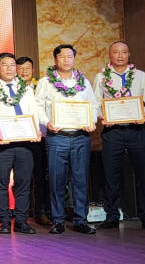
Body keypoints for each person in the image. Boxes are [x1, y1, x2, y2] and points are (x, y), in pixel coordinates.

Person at [93, 41, 145, 232]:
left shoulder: (140, 76)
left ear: (129, 54)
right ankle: (112, 216)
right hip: (112, 132)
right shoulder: (101, 77)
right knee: (111, 175)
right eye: (116, 52)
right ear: (110, 55)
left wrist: (143, 114)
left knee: (143, 174)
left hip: (136, 130)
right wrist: (103, 117)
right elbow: (95, 103)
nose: (120, 56)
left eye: (123, 52)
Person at [35, 44, 98, 235]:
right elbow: (37, 107)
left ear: (74, 59)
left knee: (81, 180)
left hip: (81, 137)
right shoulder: (45, 82)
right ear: (55, 59)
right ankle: (58, 220)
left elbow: (93, 105)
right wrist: (47, 122)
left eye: (70, 56)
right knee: (57, 180)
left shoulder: (83, 81)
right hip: (57, 137)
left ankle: (81, 220)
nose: (66, 60)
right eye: (62, 56)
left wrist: (92, 121)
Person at [0, 53, 41, 235]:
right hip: (2, 142)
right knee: (1, 183)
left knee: (23, 182)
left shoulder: (26, 89)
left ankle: (22, 221)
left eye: (12, 65)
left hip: (25, 142)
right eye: (5, 65)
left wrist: (36, 130)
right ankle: (5, 221)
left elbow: (33, 111)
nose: (9, 68)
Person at [17, 56, 52, 226]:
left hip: (41, 137)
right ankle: (21, 212)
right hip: (20, 138)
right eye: (20, 68)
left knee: (41, 176)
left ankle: (41, 212)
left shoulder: (42, 86)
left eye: (27, 68)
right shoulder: (11, 89)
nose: (24, 71)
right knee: (21, 177)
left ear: (33, 70)